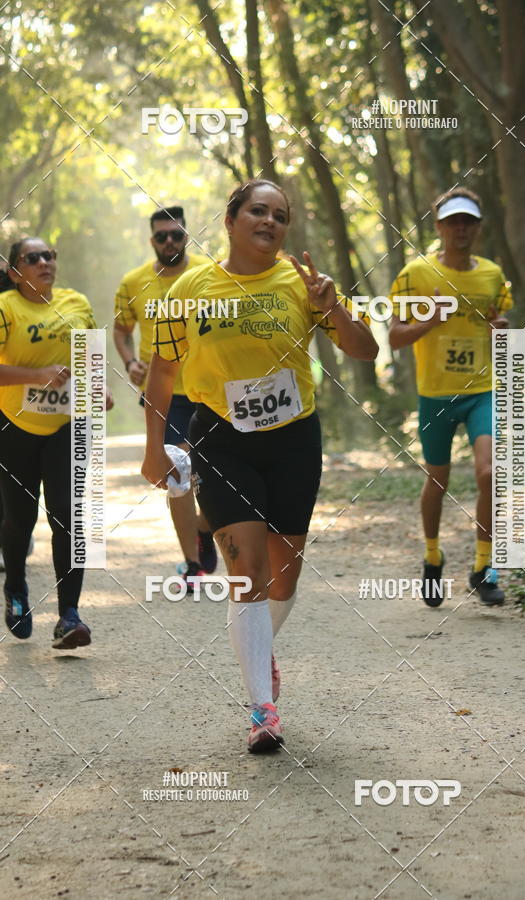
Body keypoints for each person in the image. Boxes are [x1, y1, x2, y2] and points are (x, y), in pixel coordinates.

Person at [141, 179, 378, 752]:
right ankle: (261, 709)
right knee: (246, 569)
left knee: (283, 573)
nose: (269, 221)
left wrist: (334, 308)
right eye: (257, 211)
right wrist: (155, 449)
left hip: (294, 440)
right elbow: (163, 374)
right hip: (221, 440)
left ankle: (258, 654)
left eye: (280, 215)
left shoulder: (304, 284)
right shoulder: (189, 289)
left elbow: (364, 349)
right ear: (230, 220)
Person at [389, 187, 512, 606]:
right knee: (437, 480)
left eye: (469, 221)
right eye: (453, 220)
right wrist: (431, 319)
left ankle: (482, 567)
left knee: (489, 473)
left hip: (481, 390)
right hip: (436, 394)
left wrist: (504, 332)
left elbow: (503, 324)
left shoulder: (493, 276)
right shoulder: (414, 275)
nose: (461, 228)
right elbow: (394, 336)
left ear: (477, 227)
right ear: (439, 226)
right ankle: (432, 555)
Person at [0, 237, 107, 647]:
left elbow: (90, 358)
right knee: (19, 519)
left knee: (69, 514)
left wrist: (99, 391)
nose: (44, 262)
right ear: (14, 272)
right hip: (13, 427)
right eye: (33, 258)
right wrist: (35, 374)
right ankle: (16, 590)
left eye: (49, 256)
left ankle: (69, 616)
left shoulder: (76, 303)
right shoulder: (7, 308)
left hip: (66, 427)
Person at [113, 206, 217, 584]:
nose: (170, 241)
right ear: (151, 240)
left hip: (211, 390)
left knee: (213, 475)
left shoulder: (210, 273)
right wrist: (129, 363)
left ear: (186, 235)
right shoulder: (133, 282)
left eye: (176, 234)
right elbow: (122, 330)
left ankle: (205, 528)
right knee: (178, 473)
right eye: (162, 236)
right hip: (165, 393)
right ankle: (192, 564)